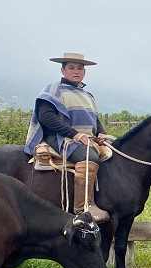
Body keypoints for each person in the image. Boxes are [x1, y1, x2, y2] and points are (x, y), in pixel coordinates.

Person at [23, 52, 109, 222]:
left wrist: (101, 132)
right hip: (60, 137)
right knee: (89, 157)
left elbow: (94, 119)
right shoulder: (53, 90)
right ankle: (83, 207)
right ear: (63, 70)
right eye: (71, 68)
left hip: (85, 139)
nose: (76, 71)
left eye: (80, 68)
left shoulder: (87, 95)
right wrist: (75, 134)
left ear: (84, 72)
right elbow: (46, 116)